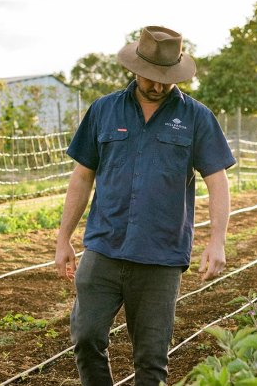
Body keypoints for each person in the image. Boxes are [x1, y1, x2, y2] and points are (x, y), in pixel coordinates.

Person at [54, 25, 236, 386]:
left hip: (160, 257)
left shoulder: (196, 118)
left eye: (165, 78)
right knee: (87, 337)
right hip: (104, 249)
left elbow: (217, 181)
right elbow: (81, 177)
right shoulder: (104, 110)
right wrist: (64, 238)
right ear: (135, 67)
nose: (157, 85)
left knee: (151, 361)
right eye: (150, 76)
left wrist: (217, 241)